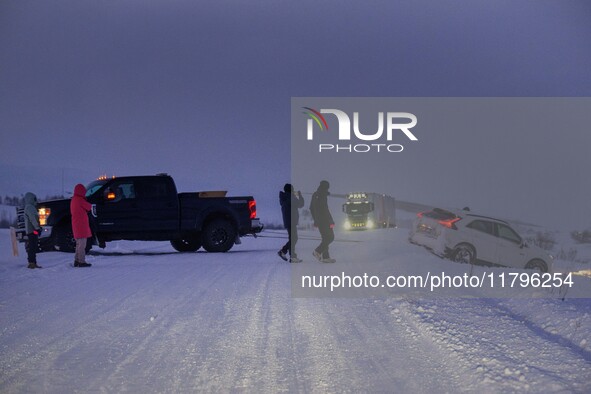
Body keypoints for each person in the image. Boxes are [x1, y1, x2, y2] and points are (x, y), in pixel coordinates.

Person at [309, 180, 335, 263]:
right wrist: (330, 221)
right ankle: (317, 251)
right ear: (325, 187)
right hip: (324, 220)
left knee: (325, 238)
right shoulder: (320, 195)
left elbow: (312, 208)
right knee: (330, 237)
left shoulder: (317, 194)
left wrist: (316, 219)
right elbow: (323, 209)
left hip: (321, 220)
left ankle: (325, 257)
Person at [278, 183, 305, 263]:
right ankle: (289, 254)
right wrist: (300, 195)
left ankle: (285, 252)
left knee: (293, 238)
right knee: (294, 238)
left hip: (288, 220)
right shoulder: (290, 197)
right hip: (291, 220)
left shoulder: (284, 197)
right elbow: (300, 204)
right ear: (291, 190)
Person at [70, 184, 92, 267]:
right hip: (81, 225)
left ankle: (76, 260)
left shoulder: (73, 200)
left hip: (76, 224)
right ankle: (81, 262)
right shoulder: (80, 200)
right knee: (82, 245)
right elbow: (89, 207)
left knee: (78, 244)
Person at [23, 192, 43, 269]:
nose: (36, 200)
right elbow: (33, 219)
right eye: (34, 199)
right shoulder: (29, 207)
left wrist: (38, 228)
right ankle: (31, 263)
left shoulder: (31, 207)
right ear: (31, 199)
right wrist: (37, 228)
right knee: (32, 246)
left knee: (33, 246)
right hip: (32, 230)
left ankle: (33, 263)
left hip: (33, 230)